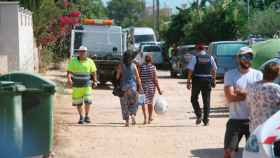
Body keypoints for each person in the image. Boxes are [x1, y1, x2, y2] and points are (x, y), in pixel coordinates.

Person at [223, 47, 263, 158]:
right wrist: (251, 94)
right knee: (228, 152)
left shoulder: (258, 74)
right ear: (238, 58)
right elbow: (230, 97)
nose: (247, 59)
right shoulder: (230, 74)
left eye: (250, 57)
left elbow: (259, 97)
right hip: (235, 120)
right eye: (245, 57)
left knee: (255, 154)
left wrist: (241, 93)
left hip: (254, 121)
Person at [186, 43, 217, 126]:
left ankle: (199, 115)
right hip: (207, 81)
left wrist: (188, 81)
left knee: (193, 99)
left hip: (197, 80)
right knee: (206, 100)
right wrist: (214, 80)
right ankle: (206, 119)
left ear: (197, 50)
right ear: (204, 50)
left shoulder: (195, 58)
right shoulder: (210, 57)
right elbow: (214, 69)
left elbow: (190, 70)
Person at [67, 45, 97, 124]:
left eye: (84, 52)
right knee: (79, 103)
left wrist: (95, 81)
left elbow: (93, 72)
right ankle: (81, 117)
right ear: (78, 52)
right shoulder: (73, 61)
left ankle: (87, 116)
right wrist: (69, 79)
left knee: (88, 101)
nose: (83, 53)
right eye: (81, 51)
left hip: (87, 85)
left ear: (86, 53)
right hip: (76, 86)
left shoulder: (90, 61)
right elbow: (69, 71)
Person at [246, 62, 280, 132]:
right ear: (277, 75)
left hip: (254, 128)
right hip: (270, 130)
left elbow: (248, 103)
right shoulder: (275, 88)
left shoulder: (251, 86)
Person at [116, 51, 142, 127]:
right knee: (134, 103)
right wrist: (140, 87)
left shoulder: (121, 66)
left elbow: (117, 76)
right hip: (133, 87)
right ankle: (133, 115)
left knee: (124, 104)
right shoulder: (134, 66)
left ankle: (127, 121)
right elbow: (138, 77)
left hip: (124, 88)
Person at [139, 53, 162, 124]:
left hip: (142, 87)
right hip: (151, 88)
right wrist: (159, 89)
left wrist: (138, 87)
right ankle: (149, 118)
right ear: (151, 60)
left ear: (145, 60)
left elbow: (138, 77)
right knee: (150, 102)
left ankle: (145, 118)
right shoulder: (153, 67)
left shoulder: (141, 67)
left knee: (142, 103)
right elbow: (155, 79)